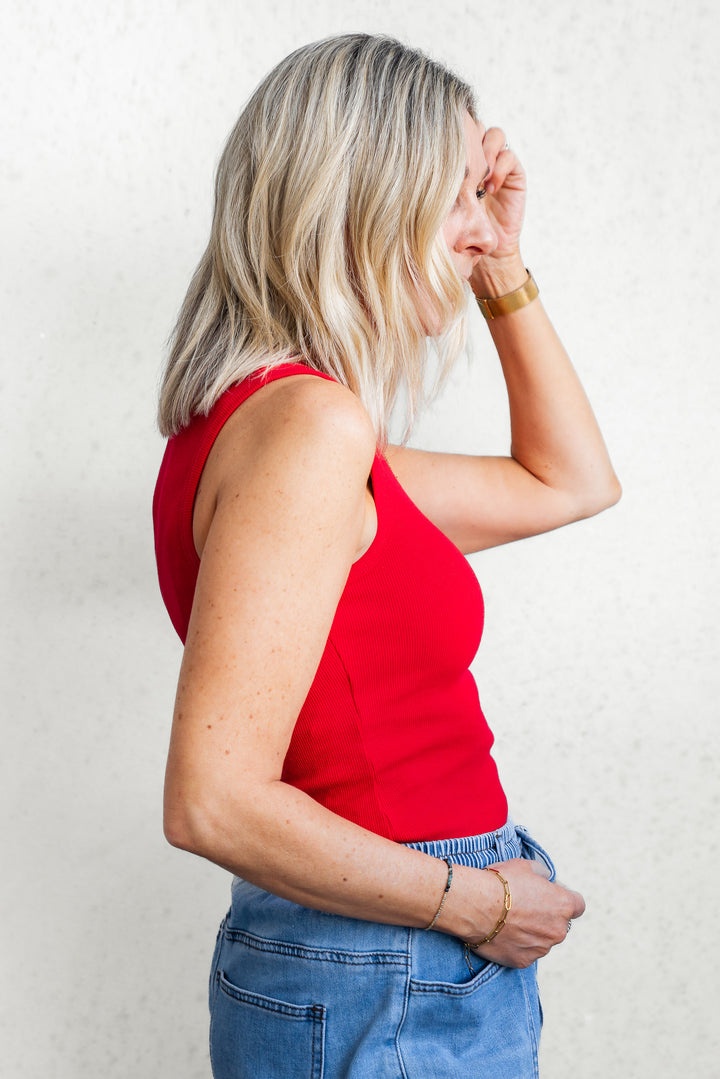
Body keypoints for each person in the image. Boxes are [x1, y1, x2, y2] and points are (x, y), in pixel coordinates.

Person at [153, 33, 620, 1079]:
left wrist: (501, 263)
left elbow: (571, 481)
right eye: (452, 199)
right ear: (363, 199)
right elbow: (211, 799)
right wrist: (479, 903)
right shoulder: (305, 432)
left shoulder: (287, 430)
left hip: (384, 953)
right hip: (392, 957)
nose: (474, 227)